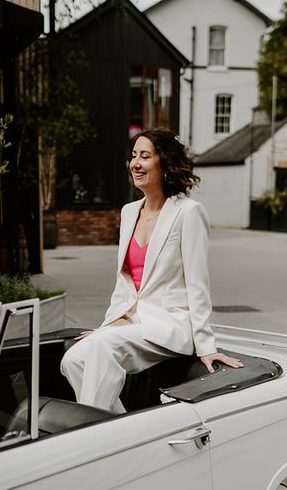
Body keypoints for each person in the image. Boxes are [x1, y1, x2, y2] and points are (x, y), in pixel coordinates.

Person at [60, 127, 243, 413]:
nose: (136, 163)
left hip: (169, 325)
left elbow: (198, 284)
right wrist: (107, 326)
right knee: (73, 359)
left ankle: (92, 440)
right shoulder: (128, 212)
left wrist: (206, 346)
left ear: (165, 163)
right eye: (133, 156)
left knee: (101, 348)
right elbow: (125, 283)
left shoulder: (188, 212)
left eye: (145, 156)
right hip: (132, 322)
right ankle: (119, 427)